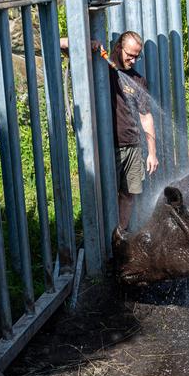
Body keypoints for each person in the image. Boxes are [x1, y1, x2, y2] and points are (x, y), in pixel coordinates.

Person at [60, 31, 159, 231]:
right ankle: (101, 236)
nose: (133, 60)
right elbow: (60, 43)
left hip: (132, 145)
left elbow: (146, 115)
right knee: (105, 194)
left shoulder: (137, 80)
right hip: (106, 147)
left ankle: (119, 234)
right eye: (129, 54)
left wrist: (152, 152)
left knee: (130, 193)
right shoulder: (100, 67)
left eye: (136, 56)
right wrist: (89, 44)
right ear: (118, 48)